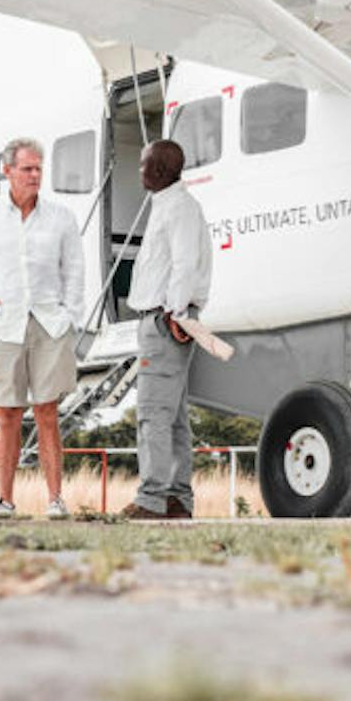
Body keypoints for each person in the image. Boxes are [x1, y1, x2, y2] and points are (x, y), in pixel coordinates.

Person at [0, 135, 86, 518]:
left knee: (48, 413)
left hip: (50, 324)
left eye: (39, 168)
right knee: (7, 414)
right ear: (7, 172)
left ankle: (56, 500)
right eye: (27, 168)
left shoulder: (62, 218)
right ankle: (4, 500)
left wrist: (71, 317)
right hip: (4, 325)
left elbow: (74, 271)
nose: (35, 175)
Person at [121, 137, 213, 520]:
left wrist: (175, 313)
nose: (140, 170)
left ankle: (152, 498)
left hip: (163, 320)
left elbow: (185, 263)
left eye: (143, 164)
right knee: (173, 418)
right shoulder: (173, 205)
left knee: (153, 413)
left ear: (157, 170)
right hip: (168, 317)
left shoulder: (177, 208)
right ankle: (176, 499)